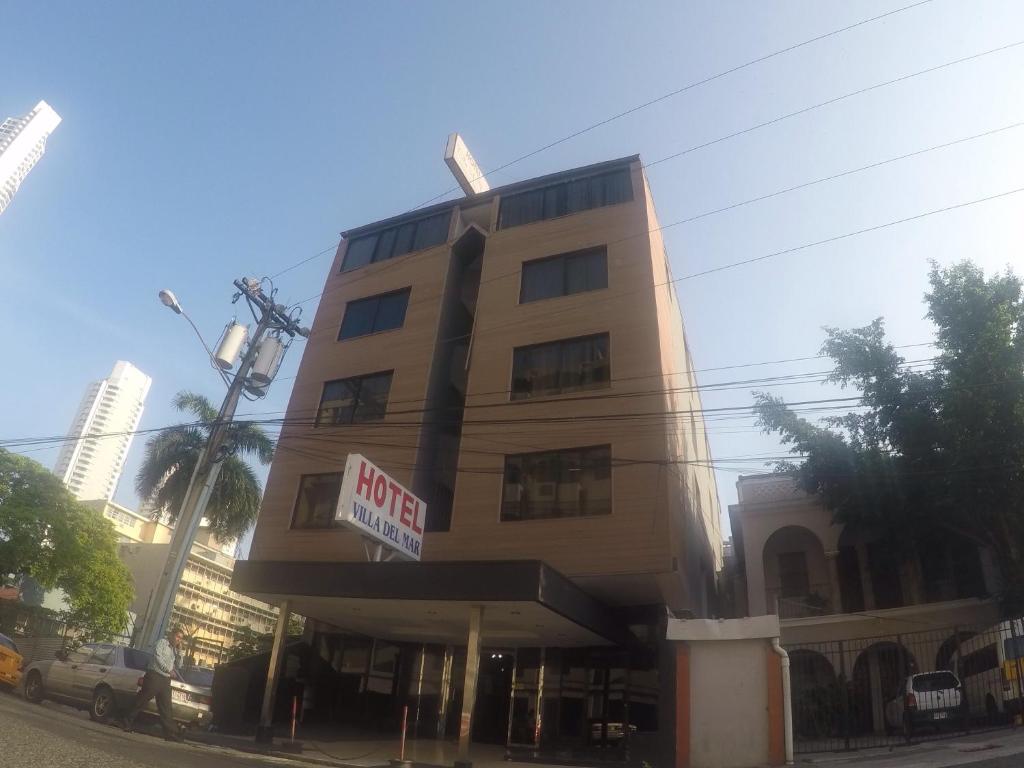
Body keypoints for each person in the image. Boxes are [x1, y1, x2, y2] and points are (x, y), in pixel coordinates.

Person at [122, 627, 185, 741]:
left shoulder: (174, 650)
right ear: (171, 635)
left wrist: (180, 652)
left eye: (180, 638)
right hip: (154, 675)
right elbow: (157, 658)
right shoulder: (162, 643)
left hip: (165, 680)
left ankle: (170, 733)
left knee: (166, 706)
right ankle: (126, 721)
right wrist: (168, 670)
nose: (178, 640)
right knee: (142, 700)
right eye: (177, 636)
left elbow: (179, 665)